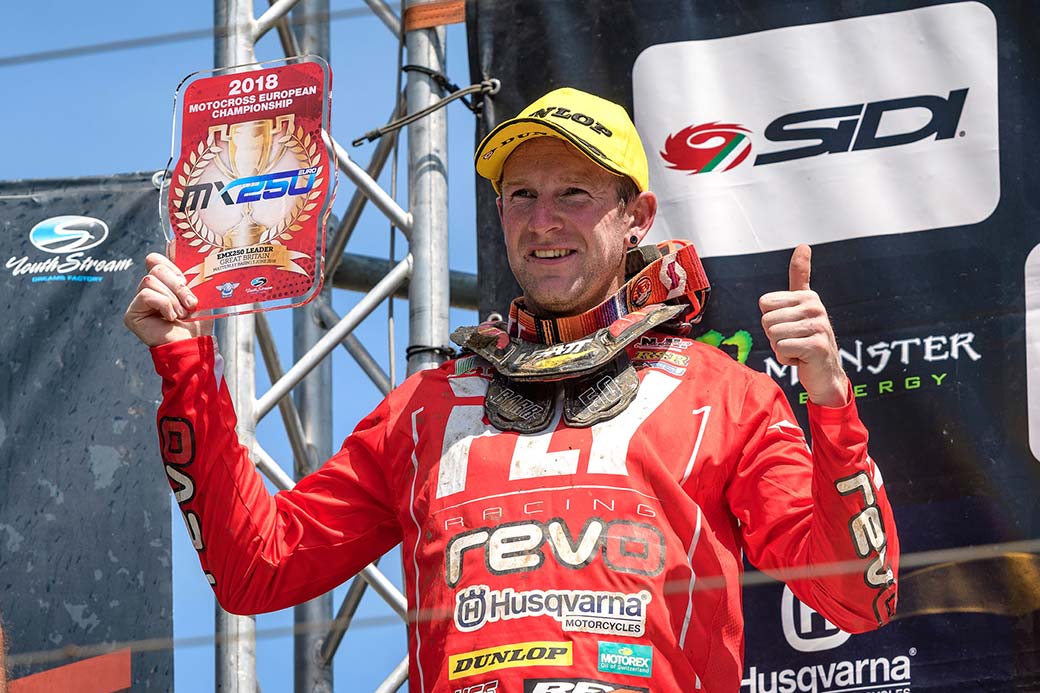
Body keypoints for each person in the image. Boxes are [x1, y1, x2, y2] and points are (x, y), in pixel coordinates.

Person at [125, 87, 898, 692]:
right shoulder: (427, 408)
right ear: (496, 213)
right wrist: (186, 365)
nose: (543, 220)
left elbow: (860, 595)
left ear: (637, 216)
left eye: (574, 194)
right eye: (520, 195)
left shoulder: (721, 395)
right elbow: (258, 566)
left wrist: (829, 398)